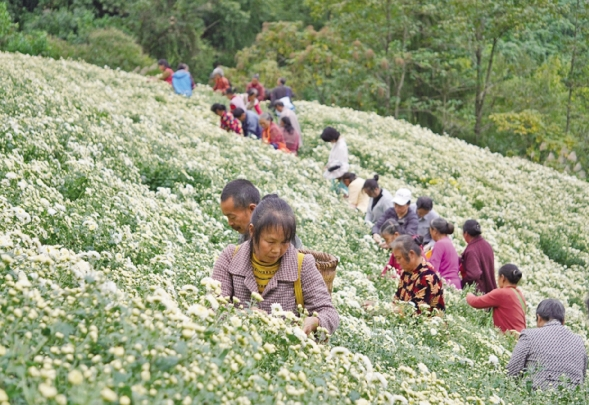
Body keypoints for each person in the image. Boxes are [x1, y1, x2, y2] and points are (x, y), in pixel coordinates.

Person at [213, 196, 339, 335]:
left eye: (285, 242)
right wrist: (243, 315)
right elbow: (214, 306)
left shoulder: (302, 264)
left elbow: (329, 313)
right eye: (270, 242)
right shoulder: (230, 257)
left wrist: (315, 321)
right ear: (252, 231)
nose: (277, 250)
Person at [507, 299, 587, 390]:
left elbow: (512, 372)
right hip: (572, 396)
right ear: (563, 321)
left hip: (536, 395)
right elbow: (583, 377)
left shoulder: (529, 336)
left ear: (539, 318)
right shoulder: (579, 341)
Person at [220, 180, 303, 248]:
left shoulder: (279, 229)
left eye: (232, 217)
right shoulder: (245, 234)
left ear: (252, 209)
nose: (230, 223)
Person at [391, 235, 445, 314]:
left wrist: (390, 310)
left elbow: (414, 311)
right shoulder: (406, 273)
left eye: (399, 258)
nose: (397, 262)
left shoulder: (428, 276)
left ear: (411, 254)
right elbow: (396, 300)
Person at [466, 264, 526, 333]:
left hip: (510, 337)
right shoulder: (519, 294)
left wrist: (468, 294)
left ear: (502, 278)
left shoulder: (502, 293)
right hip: (522, 336)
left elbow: (475, 302)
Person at [460, 220, 497, 294]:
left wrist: (461, 283)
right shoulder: (487, 245)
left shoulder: (471, 250)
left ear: (466, 233)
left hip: (479, 293)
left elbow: (474, 275)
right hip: (490, 290)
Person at [428, 218, 461, 289]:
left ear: (435, 231)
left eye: (430, 230)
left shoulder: (440, 244)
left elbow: (433, 268)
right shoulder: (448, 242)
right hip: (455, 285)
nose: (430, 233)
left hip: (446, 285)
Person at [321, 127, 349, 192]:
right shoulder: (337, 143)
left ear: (333, 138)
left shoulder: (341, 146)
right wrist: (327, 166)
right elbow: (333, 159)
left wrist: (328, 169)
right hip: (335, 172)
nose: (330, 142)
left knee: (339, 191)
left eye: (330, 140)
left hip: (339, 174)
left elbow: (339, 164)